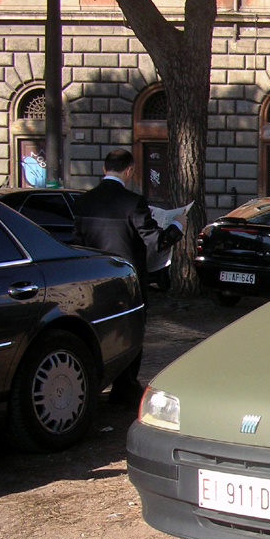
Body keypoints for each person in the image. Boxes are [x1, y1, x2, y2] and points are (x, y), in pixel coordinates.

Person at [73, 148, 183, 405]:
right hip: (127, 280)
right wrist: (178, 225)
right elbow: (157, 242)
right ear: (130, 170)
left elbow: (78, 244)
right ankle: (125, 389)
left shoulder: (84, 201)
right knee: (131, 334)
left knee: (98, 333)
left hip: (94, 280)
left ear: (104, 169)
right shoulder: (133, 202)